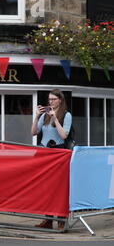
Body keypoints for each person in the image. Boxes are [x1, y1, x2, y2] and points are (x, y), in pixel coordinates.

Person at [31, 89, 72, 230]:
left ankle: (61, 220)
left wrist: (55, 119)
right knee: (46, 187)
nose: (51, 102)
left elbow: (64, 135)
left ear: (60, 100)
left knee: (59, 188)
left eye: (54, 99)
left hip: (59, 153)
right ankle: (48, 220)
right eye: (49, 100)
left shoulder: (66, 115)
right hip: (45, 153)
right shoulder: (45, 115)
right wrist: (36, 117)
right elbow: (34, 132)